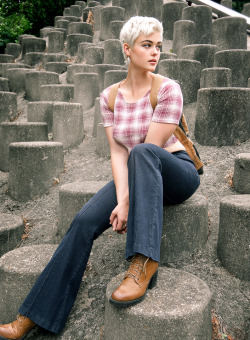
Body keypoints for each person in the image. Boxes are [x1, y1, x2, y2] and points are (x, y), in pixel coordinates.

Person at [0, 16, 200, 340]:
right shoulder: (109, 97)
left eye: (158, 47)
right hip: (138, 171)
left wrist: (126, 203)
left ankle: (143, 262)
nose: (155, 53)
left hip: (176, 171)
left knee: (143, 153)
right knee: (83, 221)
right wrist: (122, 200)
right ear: (127, 48)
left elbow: (148, 149)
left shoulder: (167, 90)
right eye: (146, 45)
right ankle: (33, 316)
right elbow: (118, 152)